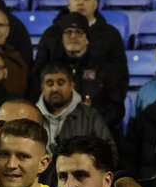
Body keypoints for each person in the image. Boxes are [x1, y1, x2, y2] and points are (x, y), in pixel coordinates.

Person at [41, 12, 127, 142]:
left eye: (78, 32)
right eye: (68, 32)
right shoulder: (52, 69)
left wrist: (91, 123)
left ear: (87, 39)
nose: (73, 36)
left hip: (96, 135)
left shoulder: (104, 68)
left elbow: (116, 108)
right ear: (62, 39)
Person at [33, 0, 126, 78]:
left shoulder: (110, 35)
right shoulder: (51, 33)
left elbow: (119, 74)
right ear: (69, 4)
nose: (81, 3)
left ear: (95, 5)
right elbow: (39, 71)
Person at [34, 63, 115, 161]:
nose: (55, 89)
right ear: (42, 87)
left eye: (61, 83)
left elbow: (110, 153)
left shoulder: (90, 116)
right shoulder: (32, 115)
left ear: (72, 85)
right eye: (49, 83)